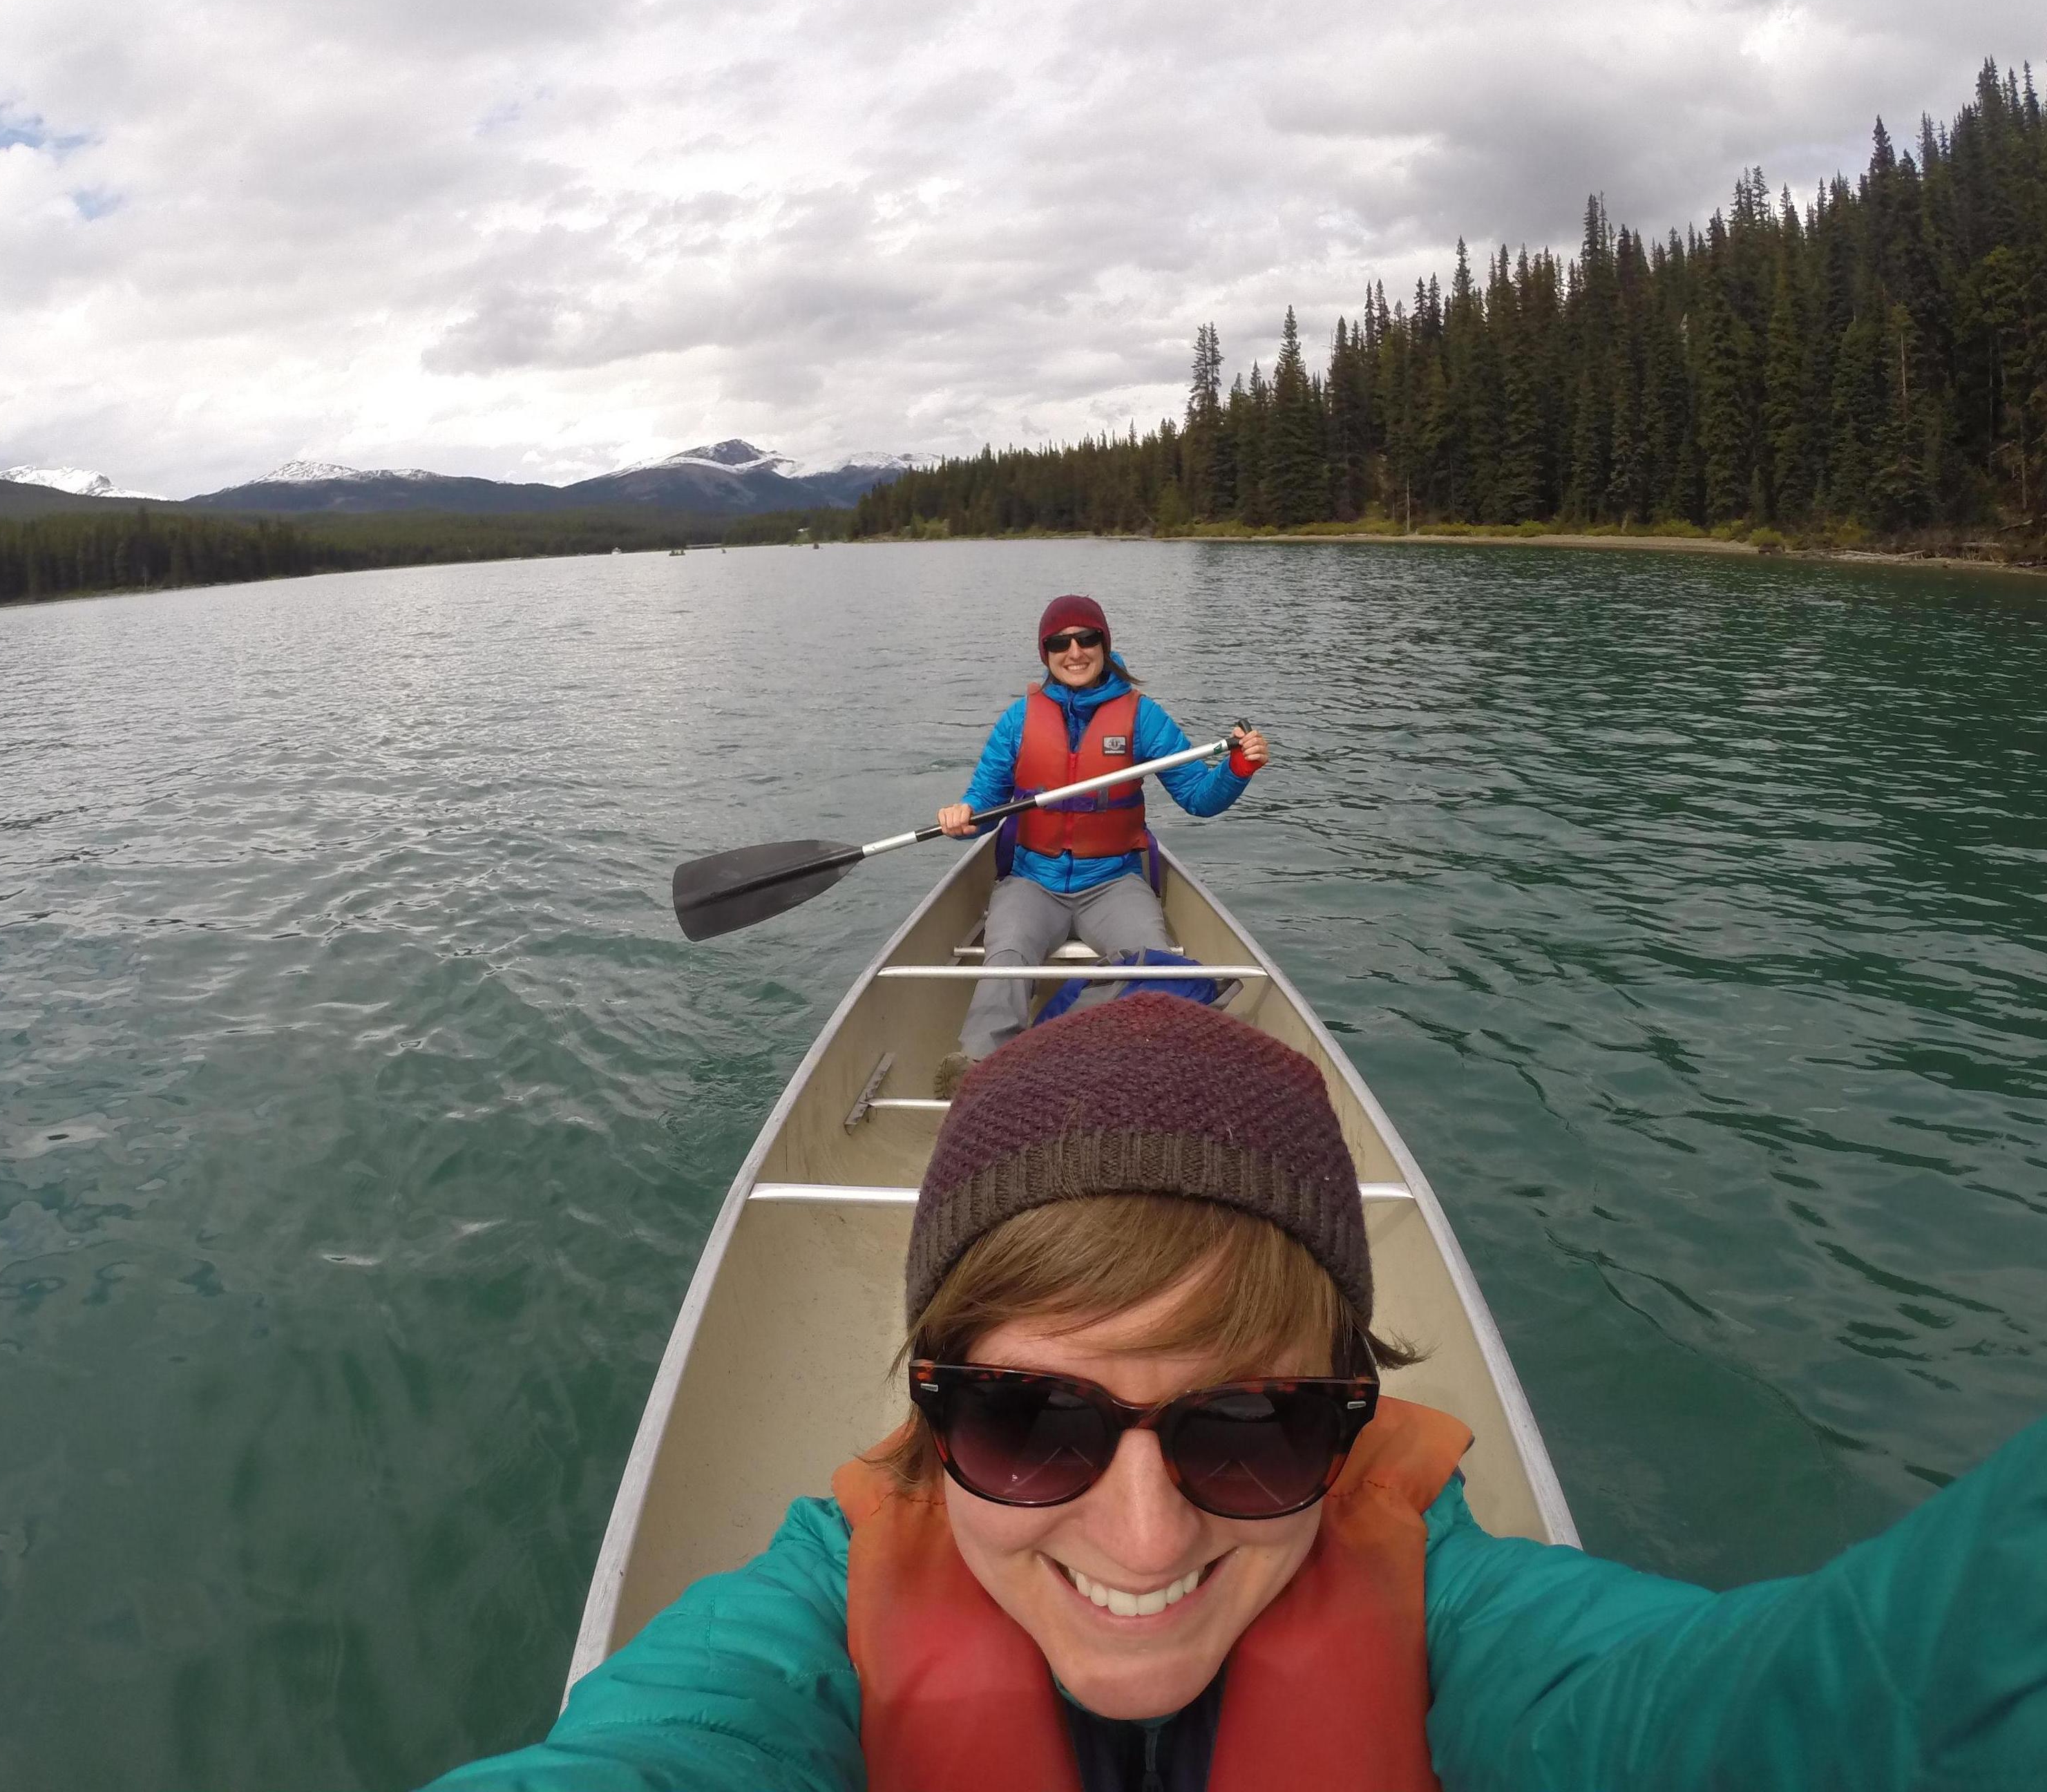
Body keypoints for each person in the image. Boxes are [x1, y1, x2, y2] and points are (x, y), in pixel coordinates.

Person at [427, 996, 2046, 1792]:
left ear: (1349, 1412)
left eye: (1250, 1423)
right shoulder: (794, 1635)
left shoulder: (1456, 1615)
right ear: (932, 1415)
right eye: (1029, 1420)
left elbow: (1806, 1714)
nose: (1141, 1543)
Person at [931, 593, 1271, 1096]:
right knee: (1006, 954)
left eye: (1087, 639)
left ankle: (1116, 1058)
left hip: (1113, 879)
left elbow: (1200, 798)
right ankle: (980, 1070)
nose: (1075, 651)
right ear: (1045, 653)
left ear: (1104, 646)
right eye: (1060, 642)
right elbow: (983, 803)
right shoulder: (1019, 720)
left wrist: (1239, 769)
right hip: (1032, 879)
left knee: (1154, 963)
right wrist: (963, 818)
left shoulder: (1143, 716)